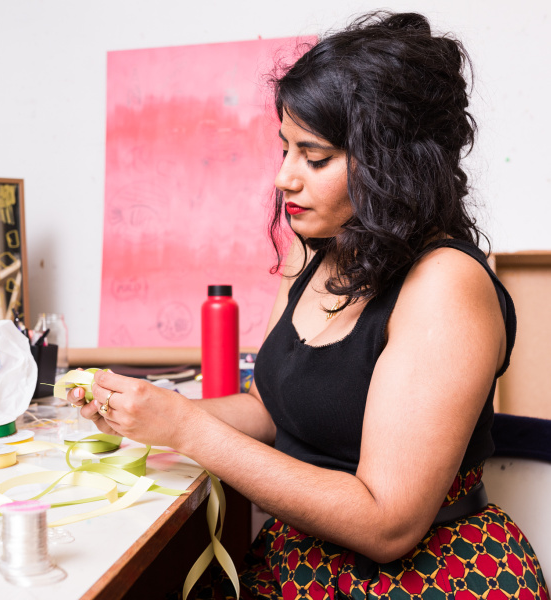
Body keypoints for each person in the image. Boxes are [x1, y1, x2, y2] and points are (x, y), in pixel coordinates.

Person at [69, 11, 549, 599]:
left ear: (393, 165)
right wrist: (145, 415)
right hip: (300, 561)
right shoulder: (316, 250)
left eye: (314, 158)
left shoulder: (446, 284)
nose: (283, 178)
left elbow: (387, 525)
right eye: (285, 150)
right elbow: (269, 410)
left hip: (424, 579)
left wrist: (187, 429)